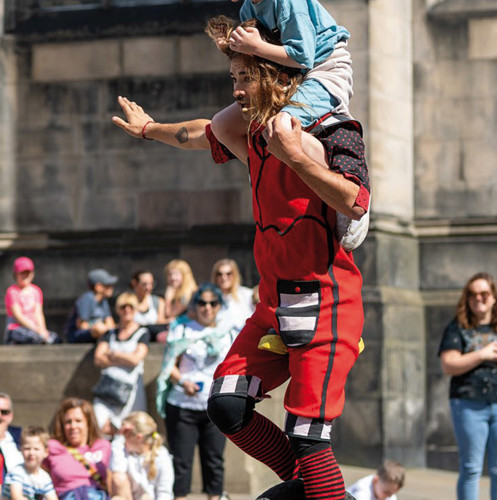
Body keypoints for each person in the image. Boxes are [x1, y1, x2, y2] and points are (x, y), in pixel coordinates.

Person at [113, 16, 371, 500]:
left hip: (327, 307)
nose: (236, 90)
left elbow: (357, 201)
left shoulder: (335, 130)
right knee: (228, 406)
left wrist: (296, 156)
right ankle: (307, 484)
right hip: (273, 307)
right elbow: (199, 132)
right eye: (233, 78)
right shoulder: (249, 133)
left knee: (309, 437)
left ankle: (315, 483)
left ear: (275, 74)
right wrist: (149, 129)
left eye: (244, 78)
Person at [210, 0, 352, 163]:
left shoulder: (288, 2)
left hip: (325, 71)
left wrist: (255, 46)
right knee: (222, 125)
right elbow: (257, 58)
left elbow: (303, 57)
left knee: (282, 127)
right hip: (289, 75)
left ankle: (325, 171)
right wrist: (231, 47)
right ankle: (260, 174)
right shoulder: (247, 10)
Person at [438, 273, 497, 500]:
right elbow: (448, 364)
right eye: (473, 294)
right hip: (469, 402)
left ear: (494, 297)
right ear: (466, 299)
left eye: (484, 293)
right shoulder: (457, 328)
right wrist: (482, 354)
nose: (479, 298)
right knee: (471, 468)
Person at [155, 284, 233, 500]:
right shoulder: (181, 329)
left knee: (214, 461)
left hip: (215, 406)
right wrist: (183, 381)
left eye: (212, 303)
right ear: (195, 306)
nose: (207, 308)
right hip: (182, 405)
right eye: (202, 303)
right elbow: (168, 365)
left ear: (219, 306)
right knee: (180, 461)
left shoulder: (228, 332)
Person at [92, 294, 150, 434]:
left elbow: (136, 359)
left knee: (130, 430)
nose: (127, 310)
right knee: (102, 427)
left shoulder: (142, 332)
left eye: (131, 307)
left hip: (130, 391)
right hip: (108, 388)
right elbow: (98, 358)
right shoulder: (110, 333)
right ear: (118, 309)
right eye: (123, 307)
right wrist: (126, 359)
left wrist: (114, 354)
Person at [44, 398, 114, 500]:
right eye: (68, 422)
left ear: (88, 424)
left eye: (78, 421)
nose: (73, 426)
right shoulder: (53, 447)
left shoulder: (103, 446)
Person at [110, 412, 173, 500]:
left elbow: (165, 492)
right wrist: (119, 435)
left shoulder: (161, 455)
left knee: (145, 498)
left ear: (138, 437)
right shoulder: (122, 450)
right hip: (129, 497)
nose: (123, 439)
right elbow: (118, 477)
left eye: (125, 434)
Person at [5, 257, 56, 344]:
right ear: (16, 274)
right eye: (22, 273)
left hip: (35, 330)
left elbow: (38, 313)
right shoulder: (12, 292)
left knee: (54, 339)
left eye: (27, 273)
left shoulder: (36, 291)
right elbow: (18, 316)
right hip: (17, 329)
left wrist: (43, 330)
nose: (25, 275)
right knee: (34, 339)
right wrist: (36, 329)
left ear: (32, 274)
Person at [4, 426, 57, 500]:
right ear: (20, 449)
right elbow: (16, 497)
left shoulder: (45, 478)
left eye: (36, 449)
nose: (31, 453)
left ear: (46, 452)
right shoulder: (17, 472)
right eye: (27, 448)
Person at [67, 269, 118, 344]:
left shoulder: (103, 301)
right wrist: (99, 327)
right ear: (98, 287)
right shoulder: (87, 299)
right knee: (99, 328)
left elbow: (110, 323)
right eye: (108, 285)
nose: (111, 288)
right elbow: (81, 325)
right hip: (77, 335)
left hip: (98, 333)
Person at [209, 258, 253, 331]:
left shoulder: (247, 294)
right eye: (219, 274)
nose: (224, 277)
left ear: (235, 275)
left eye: (228, 274)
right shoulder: (208, 298)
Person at [158, 260, 197, 333]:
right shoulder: (174, 293)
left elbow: (169, 314)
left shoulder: (190, 293)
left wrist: (168, 300)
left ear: (185, 275)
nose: (173, 278)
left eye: (176, 274)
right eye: (170, 274)